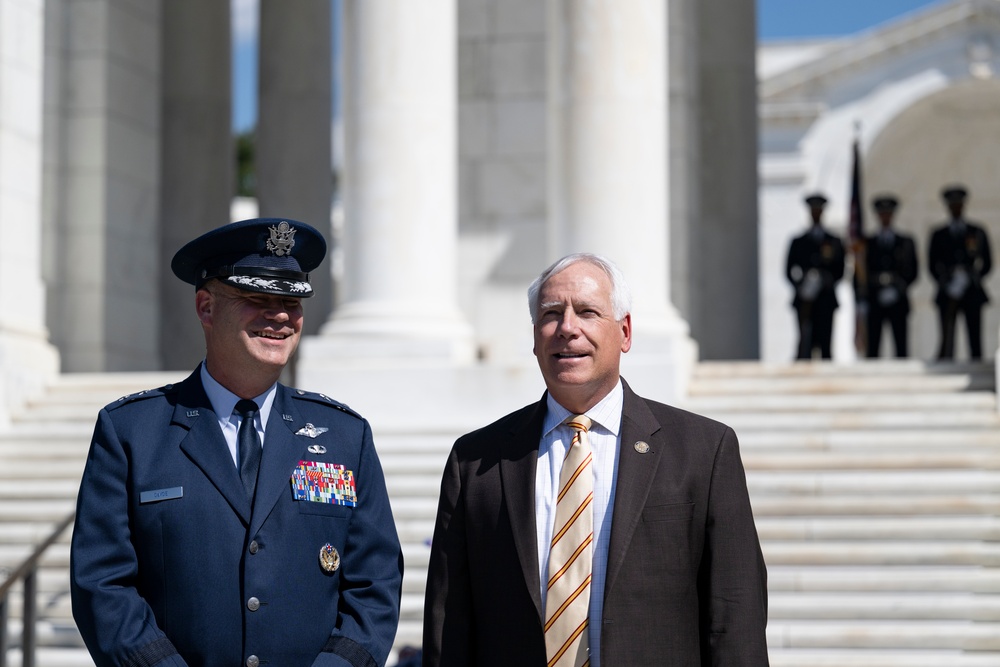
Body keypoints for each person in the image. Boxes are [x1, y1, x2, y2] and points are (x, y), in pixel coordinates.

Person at [71, 218, 403, 667]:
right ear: (206, 308)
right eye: (257, 298)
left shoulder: (345, 435)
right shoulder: (132, 432)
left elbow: (375, 585)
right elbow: (103, 584)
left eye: (292, 300)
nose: (281, 315)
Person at [422, 254, 769, 666]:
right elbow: (449, 626)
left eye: (587, 312)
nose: (568, 328)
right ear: (535, 337)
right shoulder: (476, 462)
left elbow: (734, 617)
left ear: (624, 332)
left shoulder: (703, 451)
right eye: (551, 314)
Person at [928, 185, 992, 360]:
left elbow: (987, 263)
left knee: (975, 338)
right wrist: (947, 282)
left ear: (964, 205)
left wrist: (970, 278)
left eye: (959, 204)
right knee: (947, 337)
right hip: (948, 291)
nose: (956, 208)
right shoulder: (938, 234)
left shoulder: (977, 231)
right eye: (952, 204)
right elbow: (932, 265)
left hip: (972, 291)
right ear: (947, 207)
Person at [786, 193, 846, 360]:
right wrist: (802, 285)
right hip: (805, 300)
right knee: (805, 344)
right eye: (813, 210)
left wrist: (824, 280)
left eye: (819, 210)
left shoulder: (833, 241)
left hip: (825, 299)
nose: (816, 214)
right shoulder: (799, 241)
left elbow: (840, 270)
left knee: (825, 345)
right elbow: (788, 270)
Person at [864, 195, 918, 358]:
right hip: (875, 300)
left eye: (888, 213)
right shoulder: (868, 243)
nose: (885, 217)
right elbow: (861, 273)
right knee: (873, 347)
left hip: (898, 300)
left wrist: (898, 288)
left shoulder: (905, 242)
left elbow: (913, 271)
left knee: (901, 346)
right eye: (882, 213)